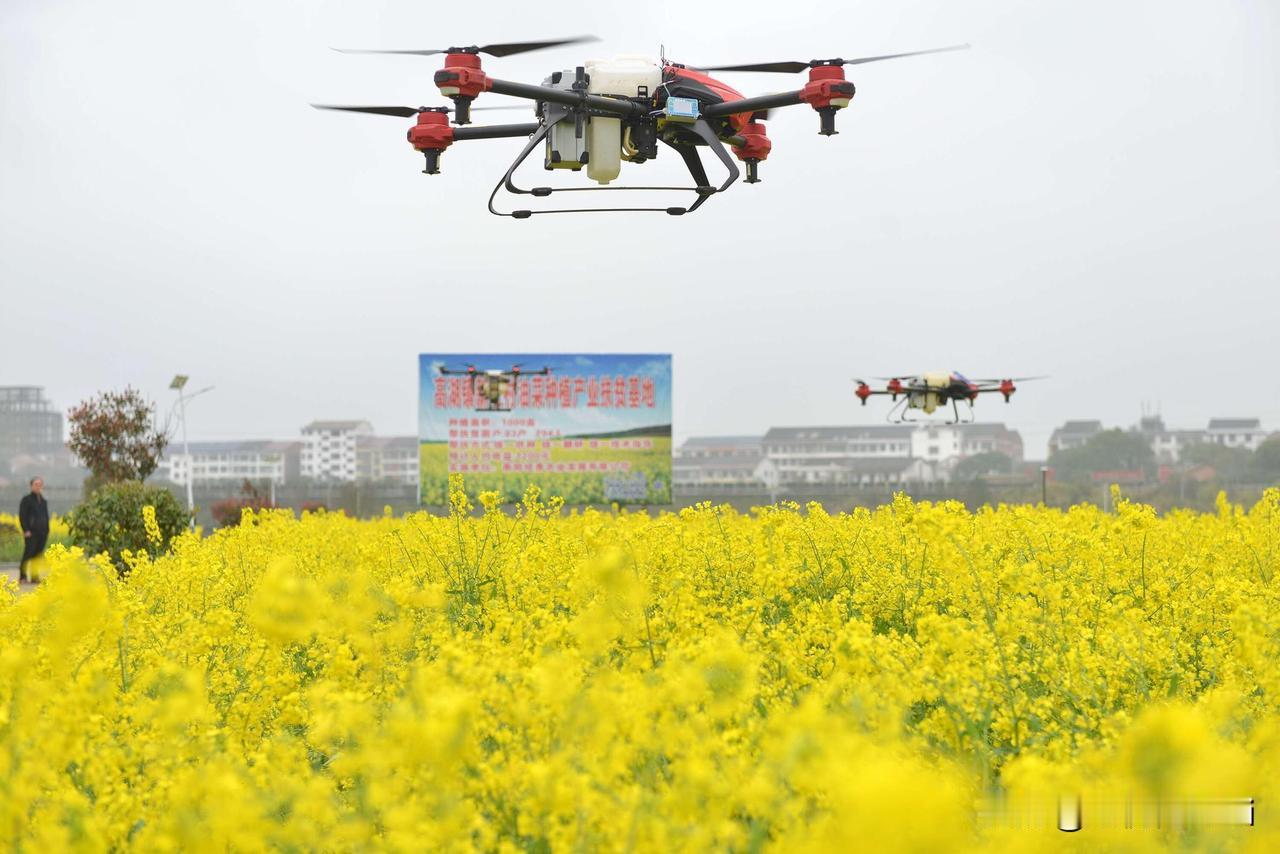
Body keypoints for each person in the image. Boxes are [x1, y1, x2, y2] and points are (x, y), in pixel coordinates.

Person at [18, 476, 49, 584]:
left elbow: (46, 516)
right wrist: (26, 530)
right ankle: (23, 577)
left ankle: (35, 577)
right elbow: (22, 516)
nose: (38, 486)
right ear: (31, 486)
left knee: (38, 556)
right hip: (31, 533)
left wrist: (47, 530)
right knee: (28, 554)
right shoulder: (26, 500)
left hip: (42, 533)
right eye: (36, 484)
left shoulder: (43, 501)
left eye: (40, 484)